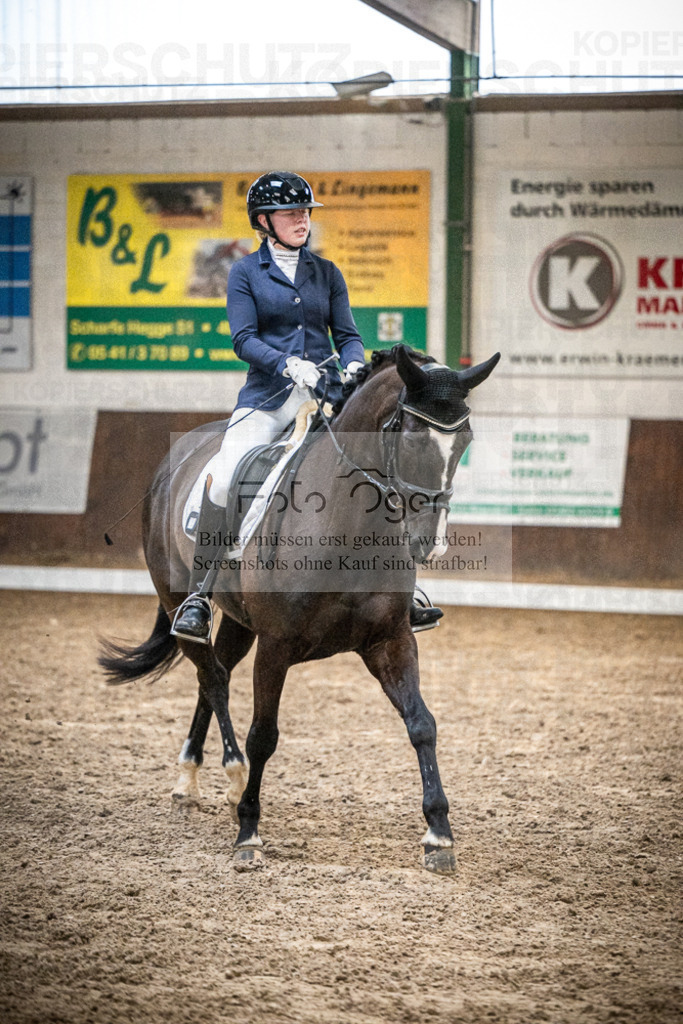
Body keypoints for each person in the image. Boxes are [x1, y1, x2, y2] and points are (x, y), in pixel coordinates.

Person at [172, 171, 442, 643]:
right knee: (227, 474)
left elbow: (348, 335)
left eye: (305, 213)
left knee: (380, 469)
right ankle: (199, 595)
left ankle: (406, 588)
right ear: (264, 221)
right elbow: (243, 339)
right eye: (291, 213)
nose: (302, 220)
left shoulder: (327, 272)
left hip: (328, 396)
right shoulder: (245, 273)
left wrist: (354, 365)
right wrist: (288, 365)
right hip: (268, 398)